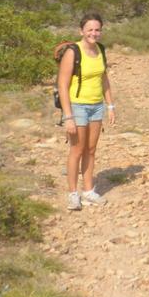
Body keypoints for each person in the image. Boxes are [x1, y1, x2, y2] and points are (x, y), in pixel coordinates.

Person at [58, 13, 116, 210]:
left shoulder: (100, 50)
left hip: (96, 106)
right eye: (90, 29)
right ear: (81, 31)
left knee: (90, 150)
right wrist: (68, 117)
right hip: (77, 106)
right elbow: (63, 85)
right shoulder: (73, 52)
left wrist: (110, 105)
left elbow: (103, 79)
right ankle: (73, 194)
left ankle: (89, 190)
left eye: (97, 29)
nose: (94, 33)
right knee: (77, 150)